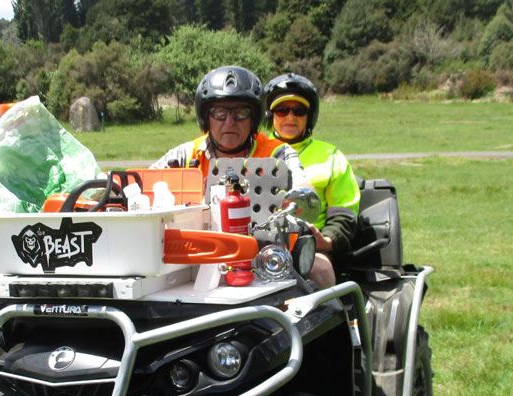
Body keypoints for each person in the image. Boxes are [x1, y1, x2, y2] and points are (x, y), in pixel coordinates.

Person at [151, 65, 312, 196]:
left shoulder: (278, 154)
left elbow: (303, 188)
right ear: (206, 117)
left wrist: (301, 197)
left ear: (253, 119)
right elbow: (141, 184)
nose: (230, 122)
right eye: (220, 113)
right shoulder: (186, 156)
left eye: (241, 113)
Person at [264, 73, 361, 288]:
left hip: (309, 246)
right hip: (258, 243)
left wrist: (326, 240)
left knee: (320, 270)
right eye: (282, 111)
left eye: (299, 111)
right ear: (270, 115)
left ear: (310, 116)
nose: (290, 118)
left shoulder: (331, 156)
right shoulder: (256, 152)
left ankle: (334, 319)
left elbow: (344, 214)